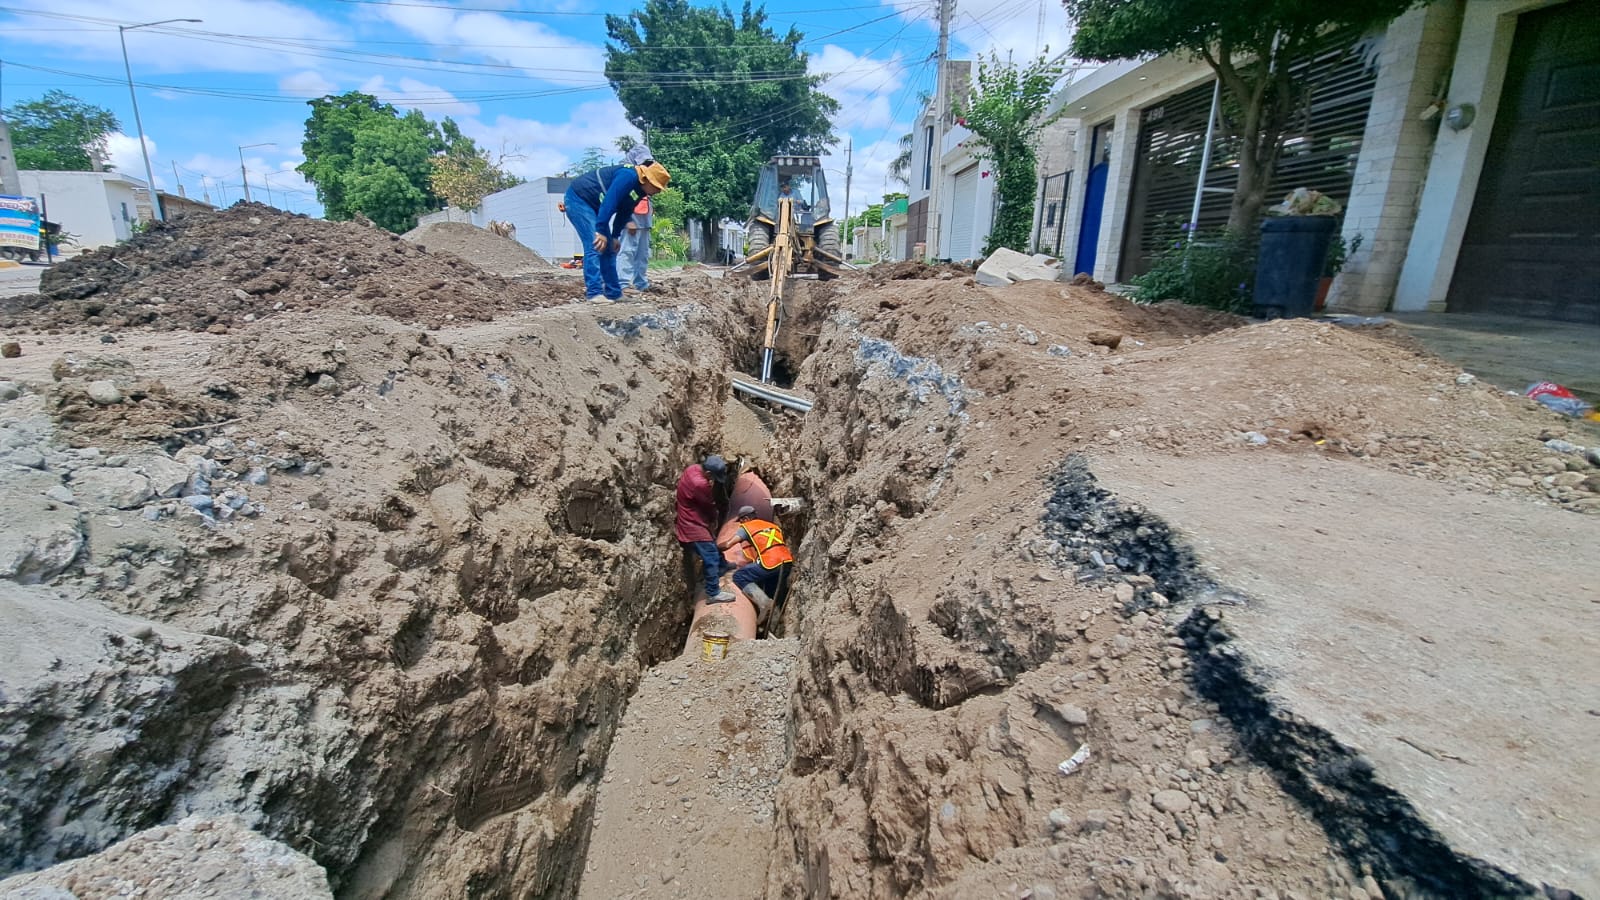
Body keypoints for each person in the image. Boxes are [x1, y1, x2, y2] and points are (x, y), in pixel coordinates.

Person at [563, 159, 670, 302]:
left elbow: (625, 211)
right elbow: (610, 202)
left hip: (595, 205)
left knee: (609, 249)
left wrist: (614, 237)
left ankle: (614, 293)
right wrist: (600, 231)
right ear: (647, 180)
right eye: (656, 187)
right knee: (595, 244)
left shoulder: (639, 190)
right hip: (579, 199)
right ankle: (594, 293)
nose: (657, 191)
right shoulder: (628, 176)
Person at [720, 505, 794, 626]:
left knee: (740, 576)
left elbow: (729, 544)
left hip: (770, 562)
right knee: (771, 590)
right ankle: (774, 623)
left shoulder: (746, 527)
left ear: (745, 519)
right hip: (786, 562)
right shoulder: (771, 525)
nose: (740, 523)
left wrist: (715, 547)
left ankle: (764, 603)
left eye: (741, 521)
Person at [676, 454, 733, 604]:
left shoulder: (692, 469)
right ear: (708, 473)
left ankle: (723, 565)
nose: (712, 481)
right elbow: (709, 506)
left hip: (693, 517)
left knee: (712, 545)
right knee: (710, 555)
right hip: (692, 523)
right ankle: (713, 593)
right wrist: (714, 519)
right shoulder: (700, 484)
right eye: (713, 478)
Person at [618, 196, 652, 293]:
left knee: (642, 254)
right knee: (627, 252)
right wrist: (628, 221)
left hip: (645, 219)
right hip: (632, 219)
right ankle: (622, 284)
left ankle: (641, 283)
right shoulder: (631, 183)